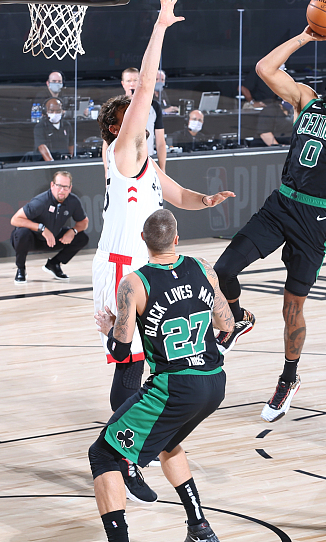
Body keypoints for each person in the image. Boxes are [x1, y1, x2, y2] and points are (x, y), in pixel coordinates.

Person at [93, 0, 233, 502]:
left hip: (141, 261)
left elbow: (181, 199)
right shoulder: (123, 151)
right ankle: (125, 454)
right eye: (131, 112)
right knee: (130, 359)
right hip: (122, 266)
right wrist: (159, 28)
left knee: (152, 359)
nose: (141, 114)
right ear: (118, 126)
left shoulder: (148, 167)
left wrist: (207, 199)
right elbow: (147, 88)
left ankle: (133, 444)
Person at [213, 12, 326, 423]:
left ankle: (289, 377)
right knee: (223, 269)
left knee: (292, 307)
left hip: (315, 217)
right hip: (281, 203)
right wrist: (305, 35)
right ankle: (236, 318)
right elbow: (264, 69)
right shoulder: (307, 100)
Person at [89, 209, 233, 542]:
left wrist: (113, 327)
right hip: (214, 381)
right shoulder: (202, 267)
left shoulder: (134, 284)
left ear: (143, 240)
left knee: (103, 453)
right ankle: (199, 528)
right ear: (176, 238)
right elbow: (227, 324)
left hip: (174, 386)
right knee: (168, 443)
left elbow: (123, 353)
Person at [9, 171, 90, 283]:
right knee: (21, 233)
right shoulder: (41, 201)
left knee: (82, 237)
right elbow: (15, 219)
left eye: (66, 187)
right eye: (59, 186)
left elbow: (84, 222)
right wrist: (41, 228)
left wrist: (73, 231)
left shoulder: (73, 201)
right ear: (52, 185)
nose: (62, 190)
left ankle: (54, 264)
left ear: (70, 188)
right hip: (32, 239)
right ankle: (21, 269)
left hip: (53, 238)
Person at [118, 66, 166, 172]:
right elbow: (107, 141)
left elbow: (160, 141)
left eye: (135, 80)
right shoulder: (117, 106)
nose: (132, 84)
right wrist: (107, 170)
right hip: (123, 160)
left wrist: (162, 168)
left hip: (147, 159)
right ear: (123, 84)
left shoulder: (154, 106)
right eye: (129, 81)